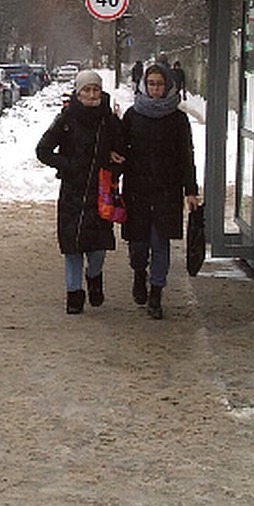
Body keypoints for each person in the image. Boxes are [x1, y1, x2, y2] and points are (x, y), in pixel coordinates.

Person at [36, 68, 125, 313]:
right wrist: (69, 165)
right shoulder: (66, 119)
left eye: (95, 89)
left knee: (98, 248)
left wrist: (114, 161)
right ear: (78, 92)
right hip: (72, 193)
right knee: (72, 247)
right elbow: (42, 150)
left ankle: (94, 277)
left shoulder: (109, 120)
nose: (91, 94)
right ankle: (73, 295)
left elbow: (123, 151)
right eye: (86, 89)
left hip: (100, 193)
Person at [120, 62, 200, 319]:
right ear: (144, 85)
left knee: (160, 243)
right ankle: (139, 273)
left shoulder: (178, 118)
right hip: (137, 189)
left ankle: (156, 293)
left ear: (168, 86)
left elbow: (186, 155)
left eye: (160, 84)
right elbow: (120, 149)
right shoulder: (132, 115)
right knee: (139, 243)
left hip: (167, 189)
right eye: (152, 84)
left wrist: (190, 189)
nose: (156, 89)